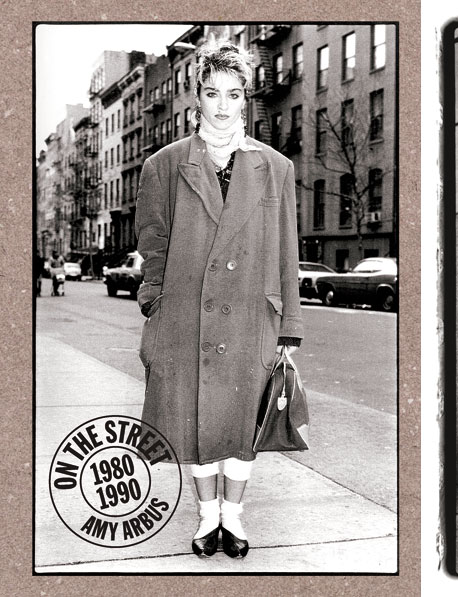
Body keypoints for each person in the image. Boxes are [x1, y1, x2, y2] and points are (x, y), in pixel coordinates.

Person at [134, 41, 303, 558]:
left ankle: (235, 516)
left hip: (253, 315)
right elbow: (152, 243)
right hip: (185, 316)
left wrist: (288, 329)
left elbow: (286, 251)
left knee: (239, 423)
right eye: (213, 94)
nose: (223, 106)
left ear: (246, 99)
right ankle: (208, 518)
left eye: (234, 94)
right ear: (197, 100)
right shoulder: (163, 166)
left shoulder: (275, 168)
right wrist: (154, 305)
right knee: (195, 419)